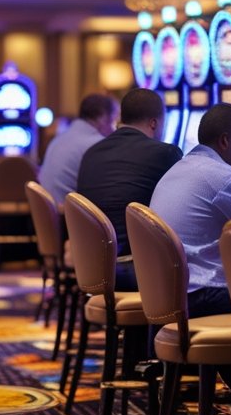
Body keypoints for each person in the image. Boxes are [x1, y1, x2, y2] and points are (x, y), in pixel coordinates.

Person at [149, 103, 231, 412]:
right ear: (227, 141)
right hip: (202, 297)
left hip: (171, 298)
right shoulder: (224, 178)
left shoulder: (177, 169)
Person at [76, 88, 181, 289]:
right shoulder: (165, 154)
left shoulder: (92, 153)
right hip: (137, 270)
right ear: (154, 123)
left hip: (92, 266)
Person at [38, 93, 118, 204]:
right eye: (114, 121)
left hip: (50, 213)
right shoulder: (97, 145)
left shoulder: (59, 138)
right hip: (67, 216)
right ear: (103, 118)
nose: (115, 129)